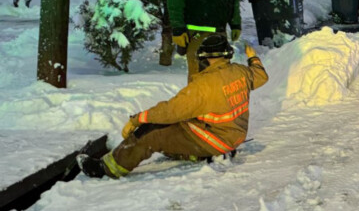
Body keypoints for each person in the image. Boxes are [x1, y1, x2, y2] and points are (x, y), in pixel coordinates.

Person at [77, 34, 268, 179]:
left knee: (152, 132)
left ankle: (107, 168)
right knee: (180, 126)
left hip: (215, 139)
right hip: (233, 135)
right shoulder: (241, 72)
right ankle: (194, 154)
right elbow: (261, 76)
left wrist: (137, 119)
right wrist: (253, 58)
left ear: (203, 58)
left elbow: (170, 112)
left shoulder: (203, 86)